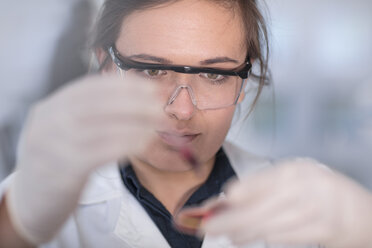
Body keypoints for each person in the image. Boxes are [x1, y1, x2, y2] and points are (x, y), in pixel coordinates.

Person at [0, 0, 372, 247]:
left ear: (242, 83)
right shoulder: (33, 201)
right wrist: (14, 227)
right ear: (108, 67)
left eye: (214, 75)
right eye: (152, 68)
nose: (181, 109)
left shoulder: (311, 206)